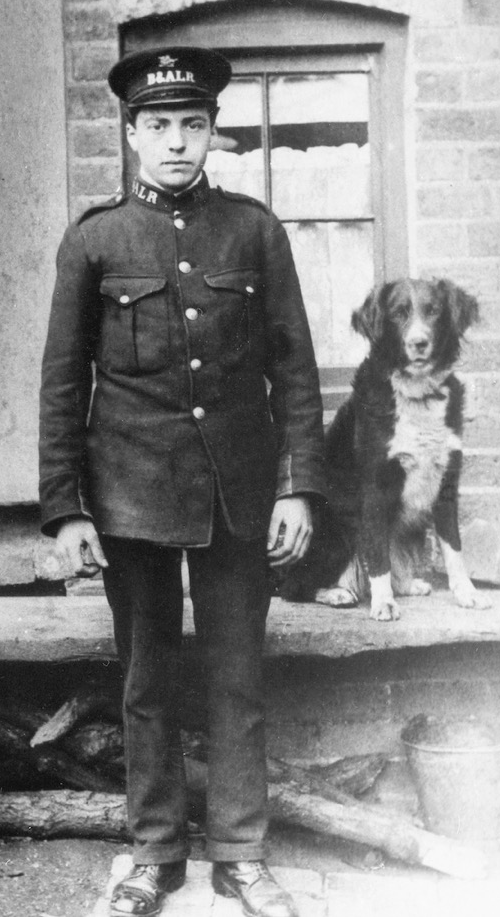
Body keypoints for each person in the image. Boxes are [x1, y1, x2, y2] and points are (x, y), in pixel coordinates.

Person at [39, 46, 327, 917]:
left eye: (191, 125)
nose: (175, 141)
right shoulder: (95, 239)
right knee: (148, 680)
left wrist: (297, 485)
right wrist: (65, 510)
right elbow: (61, 381)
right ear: (130, 134)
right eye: (158, 125)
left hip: (242, 494)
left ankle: (242, 854)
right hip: (130, 495)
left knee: (238, 676)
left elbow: (297, 370)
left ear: (212, 133)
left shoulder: (254, 230)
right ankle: (153, 854)